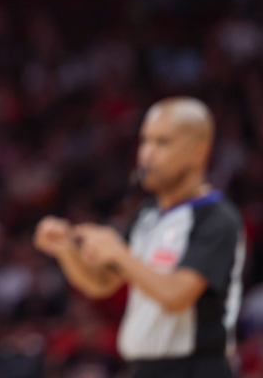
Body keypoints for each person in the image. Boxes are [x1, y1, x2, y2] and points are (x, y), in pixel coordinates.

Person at [34, 97, 244, 378]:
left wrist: (119, 252)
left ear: (198, 151)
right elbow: (102, 283)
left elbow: (176, 295)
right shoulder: (147, 214)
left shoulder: (218, 219)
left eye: (162, 142)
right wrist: (65, 250)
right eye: (145, 141)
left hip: (195, 368)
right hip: (144, 368)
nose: (146, 154)